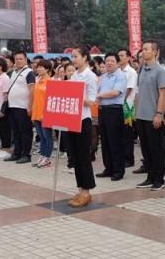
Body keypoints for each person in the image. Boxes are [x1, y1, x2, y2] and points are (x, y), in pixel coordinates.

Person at [135, 40, 165, 190]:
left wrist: (159, 113)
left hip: (153, 115)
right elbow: (138, 92)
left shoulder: (160, 71)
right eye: (143, 49)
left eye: (147, 49)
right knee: (146, 149)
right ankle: (150, 176)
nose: (144, 52)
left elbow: (163, 94)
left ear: (155, 52)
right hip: (141, 116)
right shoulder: (142, 69)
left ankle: (159, 179)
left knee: (157, 149)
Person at [68, 46, 98, 207]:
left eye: (76, 56)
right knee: (75, 158)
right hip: (72, 119)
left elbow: (91, 100)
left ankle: (86, 192)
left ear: (85, 57)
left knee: (83, 157)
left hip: (83, 119)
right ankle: (80, 189)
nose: (73, 60)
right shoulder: (74, 75)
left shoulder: (90, 76)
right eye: (72, 57)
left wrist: (76, 94)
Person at [95, 52, 128, 181]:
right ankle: (108, 168)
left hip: (114, 111)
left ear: (118, 63)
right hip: (103, 111)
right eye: (107, 60)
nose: (108, 63)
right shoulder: (103, 76)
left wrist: (99, 96)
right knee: (105, 141)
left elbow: (115, 93)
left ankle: (118, 171)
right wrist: (97, 98)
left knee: (115, 141)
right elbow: (97, 91)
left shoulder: (120, 76)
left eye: (112, 61)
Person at [5, 51, 36, 164]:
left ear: (26, 59)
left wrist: (30, 106)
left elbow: (32, 90)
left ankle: (26, 155)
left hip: (23, 107)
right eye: (16, 59)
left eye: (20, 59)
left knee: (25, 132)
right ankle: (17, 153)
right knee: (16, 132)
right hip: (13, 106)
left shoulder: (29, 73)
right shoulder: (14, 72)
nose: (18, 61)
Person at [117, 49, 138, 168]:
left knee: (127, 135)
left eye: (122, 55)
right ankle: (121, 157)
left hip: (127, 107)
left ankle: (129, 159)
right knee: (120, 134)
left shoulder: (131, 72)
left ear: (129, 58)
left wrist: (119, 100)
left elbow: (129, 89)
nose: (119, 57)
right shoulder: (118, 71)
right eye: (118, 55)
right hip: (118, 106)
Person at [31, 60, 54, 168]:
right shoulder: (38, 80)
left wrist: (45, 114)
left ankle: (47, 158)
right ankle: (42, 155)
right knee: (41, 137)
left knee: (47, 137)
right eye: (38, 67)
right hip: (36, 112)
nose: (39, 69)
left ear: (48, 69)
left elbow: (51, 100)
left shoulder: (51, 82)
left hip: (46, 114)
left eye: (42, 67)